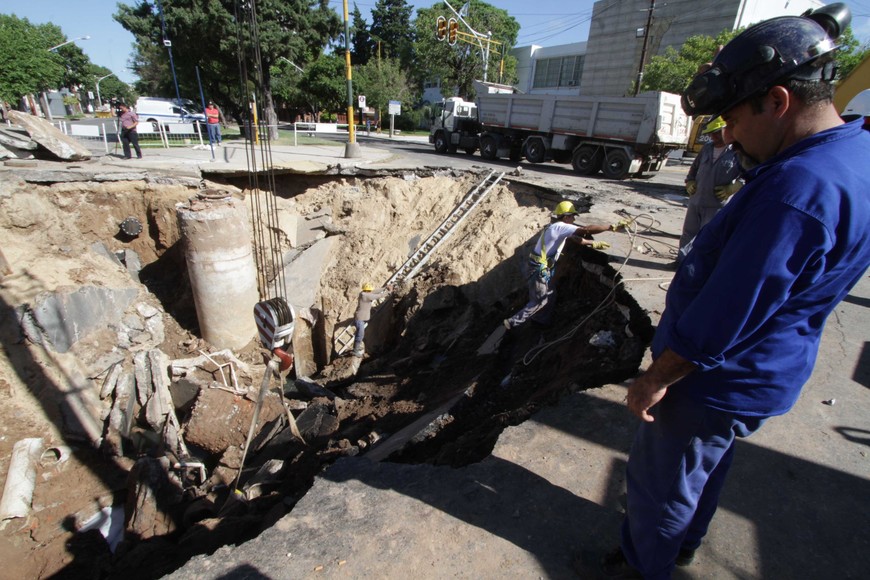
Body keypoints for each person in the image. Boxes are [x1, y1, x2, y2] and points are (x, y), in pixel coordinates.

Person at [602, 4, 870, 579]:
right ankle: (682, 546)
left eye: (732, 116)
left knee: (660, 487)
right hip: (766, 369)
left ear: (777, 101)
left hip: (714, 381)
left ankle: (642, 566)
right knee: (704, 467)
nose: (727, 134)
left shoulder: (796, 191)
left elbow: (727, 314)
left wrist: (655, 380)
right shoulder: (853, 155)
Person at [504, 200, 628, 329]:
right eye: (573, 216)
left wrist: (592, 244)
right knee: (540, 301)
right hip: (538, 269)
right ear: (566, 216)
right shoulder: (561, 226)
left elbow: (575, 238)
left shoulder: (557, 227)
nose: (574, 218)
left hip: (541, 267)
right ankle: (512, 322)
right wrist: (611, 227)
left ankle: (541, 321)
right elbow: (586, 230)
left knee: (551, 293)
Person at [676, 116, 743, 264]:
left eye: (717, 132)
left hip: (716, 204)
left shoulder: (736, 151)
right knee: (688, 234)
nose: (713, 136)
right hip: (696, 200)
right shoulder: (707, 148)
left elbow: (747, 174)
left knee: (709, 237)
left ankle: (698, 268)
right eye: (711, 133)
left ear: (725, 130)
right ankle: (681, 263)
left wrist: (733, 187)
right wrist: (690, 182)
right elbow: (693, 169)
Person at [352, 282, 392, 357]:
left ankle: (356, 348)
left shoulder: (363, 293)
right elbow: (379, 295)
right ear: (367, 290)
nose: (371, 291)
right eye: (370, 290)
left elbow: (374, 291)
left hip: (361, 317)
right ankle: (355, 351)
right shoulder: (366, 296)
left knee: (359, 334)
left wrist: (385, 288)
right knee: (360, 334)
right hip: (360, 318)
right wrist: (389, 291)